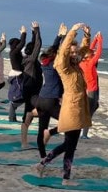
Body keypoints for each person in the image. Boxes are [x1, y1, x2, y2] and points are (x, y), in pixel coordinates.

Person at [36, 22, 91, 183]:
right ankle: (54, 170)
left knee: (70, 144)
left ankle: (54, 170)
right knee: (70, 144)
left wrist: (87, 36)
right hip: (71, 108)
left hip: (79, 108)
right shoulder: (63, 67)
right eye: (71, 52)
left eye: (75, 52)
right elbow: (65, 51)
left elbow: (84, 51)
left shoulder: (75, 65)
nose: (74, 54)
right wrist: (72, 32)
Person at [35, 23, 67, 158]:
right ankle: (52, 132)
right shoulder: (56, 64)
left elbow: (55, 49)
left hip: (41, 99)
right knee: (68, 123)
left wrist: (59, 36)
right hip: (50, 100)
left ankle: (42, 157)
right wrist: (64, 37)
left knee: (41, 130)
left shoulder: (44, 61)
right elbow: (62, 51)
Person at [20, 22, 43, 149]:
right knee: (28, 115)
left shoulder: (28, 60)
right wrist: (37, 30)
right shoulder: (31, 60)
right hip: (31, 91)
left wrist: (33, 34)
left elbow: (34, 45)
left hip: (32, 90)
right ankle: (24, 143)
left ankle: (24, 142)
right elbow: (38, 45)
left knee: (29, 115)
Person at [79, 29, 103, 139]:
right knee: (89, 113)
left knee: (95, 106)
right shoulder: (89, 64)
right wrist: (100, 40)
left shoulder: (82, 62)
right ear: (87, 56)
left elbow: (91, 50)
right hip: (91, 91)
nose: (92, 53)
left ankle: (82, 130)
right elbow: (98, 52)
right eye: (90, 54)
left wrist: (94, 40)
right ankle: (83, 134)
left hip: (93, 89)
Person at [8, 25, 27, 121]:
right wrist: (24, 33)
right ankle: (11, 118)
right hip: (17, 75)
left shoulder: (14, 52)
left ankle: (12, 117)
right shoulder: (14, 52)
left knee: (18, 95)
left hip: (17, 74)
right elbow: (22, 43)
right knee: (18, 96)